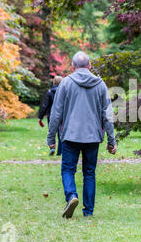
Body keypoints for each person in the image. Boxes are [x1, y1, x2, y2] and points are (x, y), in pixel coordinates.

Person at [47, 51, 117, 219]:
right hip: (93, 137)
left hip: (70, 135)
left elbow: (56, 113)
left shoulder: (65, 84)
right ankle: (88, 211)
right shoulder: (100, 84)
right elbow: (107, 116)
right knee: (89, 173)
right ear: (89, 66)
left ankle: (71, 196)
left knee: (67, 169)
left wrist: (51, 139)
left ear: (73, 66)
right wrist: (111, 140)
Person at [39, 76, 63, 156]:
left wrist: (40, 117)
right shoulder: (64, 92)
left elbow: (45, 106)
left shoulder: (49, 92)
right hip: (62, 115)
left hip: (51, 115)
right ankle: (60, 152)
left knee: (52, 132)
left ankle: (52, 148)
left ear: (54, 82)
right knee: (61, 134)